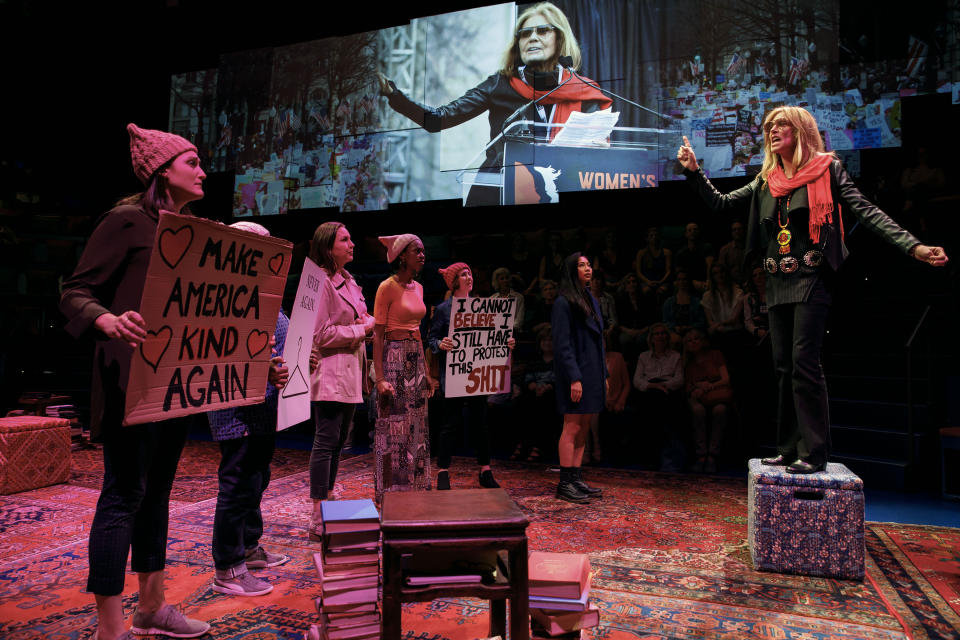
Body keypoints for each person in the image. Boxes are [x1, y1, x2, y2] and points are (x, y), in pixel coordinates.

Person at [677, 105, 948, 473]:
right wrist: (695, 172)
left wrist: (913, 246)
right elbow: (721, 203)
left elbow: (867, 211)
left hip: (811, 279)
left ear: (801, 130)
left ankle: (814, 452)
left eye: (781, 124)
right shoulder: (767, 178)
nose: (773, 130)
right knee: (783, 367)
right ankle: (788, 449)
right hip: (776, 280)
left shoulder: (827, 168)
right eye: (770, 126)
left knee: (804, 363)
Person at [59, 124, 210, 640]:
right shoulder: (125, 221)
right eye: (192, 162)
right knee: (123, 494)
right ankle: (110, 627)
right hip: (129, 382)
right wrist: (108, 320)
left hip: (176, 383)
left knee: (158, 494)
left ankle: (152, 607)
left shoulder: (194, 235)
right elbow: (75, 291)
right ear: (162, 171)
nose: (203, 170)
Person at [377, 1, 611, 206]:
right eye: (525, 33)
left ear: (560, 38)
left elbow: (597, 150)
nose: (532, 38)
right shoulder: (501, 83)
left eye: (542, 31)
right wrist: (393, 94)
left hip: (557, 189)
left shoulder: (583, 90)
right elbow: (438, 119)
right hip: (496, 190)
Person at [207, 221, 291, 598]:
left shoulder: (264, 290)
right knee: (237, 485)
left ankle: (248, 548)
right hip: (235, 406)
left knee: (256, 479)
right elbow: (220, 350)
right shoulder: (224, 292)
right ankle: (227, 568)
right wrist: (263, 367)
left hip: (264, 405)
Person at [306, 222, 375, 536]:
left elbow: (359, 318)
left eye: (351, 239)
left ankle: (329, 496)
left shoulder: (350, 280)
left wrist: (366, 325)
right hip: (330, 371)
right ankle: (316, 507)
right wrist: (362, 330)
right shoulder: (319, 281)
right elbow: (319, 333)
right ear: (328, 247)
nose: (351, 244)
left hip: (350, 369)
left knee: (338, 442)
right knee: (326, 440)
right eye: (344, 240)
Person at [428, 262, 515, 490]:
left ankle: (485, 470)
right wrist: (440, 343)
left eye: (470, 273)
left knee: (481, 424)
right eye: (464, 274)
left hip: (477, 375)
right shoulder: (444, 309)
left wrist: (506, 343)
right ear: (454, 281)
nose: (469, 277)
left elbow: (493, 336)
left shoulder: (483, 307)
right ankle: (443, 471)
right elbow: (432, 338)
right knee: (450, 424)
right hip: (454, 376)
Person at [372, 234, 436, 504]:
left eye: (423, 251)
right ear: (402, 256)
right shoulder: (386, 287)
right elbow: (377, 334)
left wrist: (428, 372)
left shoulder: (419, 288)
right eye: (416, 251)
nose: (422, 255)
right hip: (393, 357)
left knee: (417, 425)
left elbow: (418, 332)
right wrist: (380, 377)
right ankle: (389, 489)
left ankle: (417, 484)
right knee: (393, 425)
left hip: (416, 360)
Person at [552, 253, 607, 503]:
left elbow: (600, 341)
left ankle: (576, 478)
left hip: (592, 371)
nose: (588, 268)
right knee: (572, 426)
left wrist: (603, 373)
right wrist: (574, 377)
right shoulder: (563, 302)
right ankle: (565, 483)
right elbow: (562, 345)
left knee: (584, 426)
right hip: (575, 373)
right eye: (582, 265)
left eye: (589, 264)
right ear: (571, 270)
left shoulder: (591, 299)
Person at [632, 323, 685, 470]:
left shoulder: (675, 356)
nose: (660, 336)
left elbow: (679, 380)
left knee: (662, 409)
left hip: (668, 393)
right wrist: (653, 386)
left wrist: (663, 386)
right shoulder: (643, 357)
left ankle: (666, 459)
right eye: (657, 334)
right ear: (651, 338)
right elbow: (637, 380)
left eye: (663, 333)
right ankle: (652, 458)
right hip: (650, 392)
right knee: (651, 404)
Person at [682, 329, 733, 473]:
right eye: (689, 340)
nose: (693, 342)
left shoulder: (715, 355)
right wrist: (696, 389)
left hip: (716, 393)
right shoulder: (688, 362)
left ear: (703, 341)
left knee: (720, 410)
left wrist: (708, 387)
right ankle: (701, 454)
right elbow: (688, 386)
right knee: (697, 410)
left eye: (696, 338)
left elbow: (726, 379)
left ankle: (712, 455)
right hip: (699, 396)